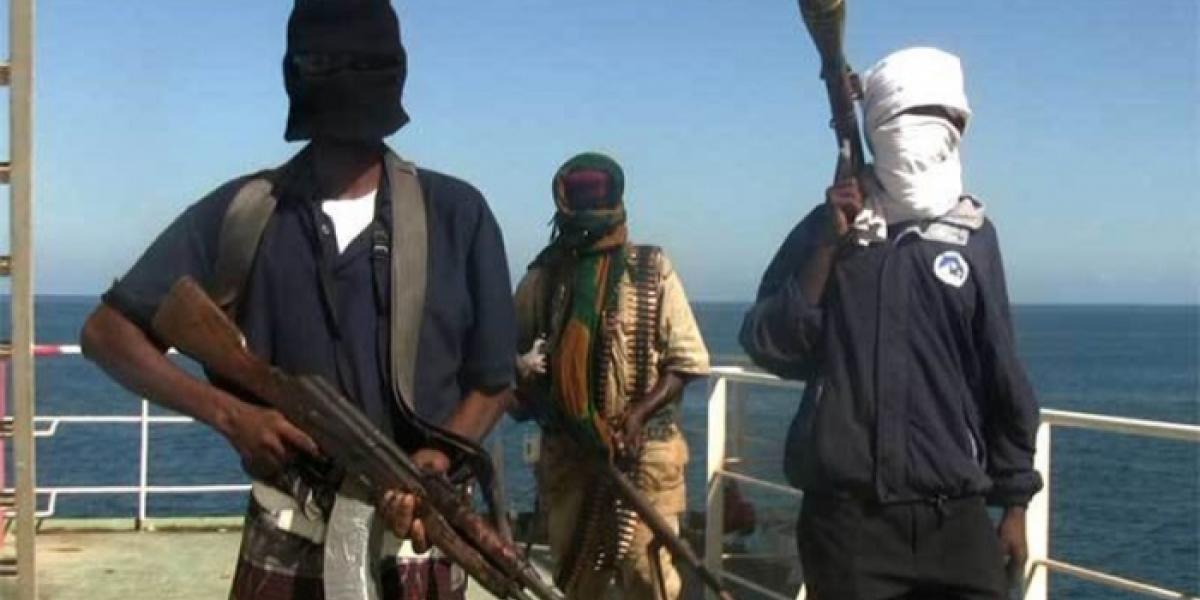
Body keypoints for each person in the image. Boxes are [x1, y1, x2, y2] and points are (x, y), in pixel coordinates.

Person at [79, 1, 516, 598]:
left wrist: (435, 462)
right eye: (330, 61)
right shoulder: (246, 213)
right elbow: (106, 333)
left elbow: (494, 382)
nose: (347, 76)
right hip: (286, 537)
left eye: (362, 62)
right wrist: (232, 416)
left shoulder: (457, 215)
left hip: (416, 548)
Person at [739, 47, 1043, 600]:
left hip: (957, 520)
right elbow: (771, 344)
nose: (931, 134)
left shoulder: (974, 236)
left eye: (947, 119)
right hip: (848, 523)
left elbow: (1000, 370)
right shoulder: (829, 228)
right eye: (912, 119)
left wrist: (1015, 503)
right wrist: (829, 244)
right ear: (878, 128)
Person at [512, 153, 709, 600]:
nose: (589, 204)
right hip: (570, 454)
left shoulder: (651, 268)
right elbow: (508, 355)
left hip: (644, 456)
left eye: (597, 193)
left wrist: (637, 415)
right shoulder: (544, 277)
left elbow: (685, 361)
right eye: (580, 193)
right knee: (576, 576)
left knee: (649, 576)